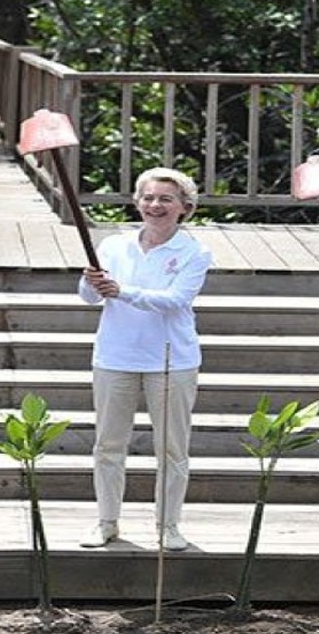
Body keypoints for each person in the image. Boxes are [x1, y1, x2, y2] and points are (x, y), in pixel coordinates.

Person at [76, 167, 212, 551]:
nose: (155, 205)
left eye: (165, 199)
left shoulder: (194, 251)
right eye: (148, 198)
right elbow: (88, 298)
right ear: (137, 202)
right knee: (108, 444)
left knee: (171, 447)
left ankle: (168, 525)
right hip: (115, 355)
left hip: (171, 359)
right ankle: (106, 521)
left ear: (184, 207)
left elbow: (175, 300)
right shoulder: (113, 246)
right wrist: (91, 282)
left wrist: (121, 291)